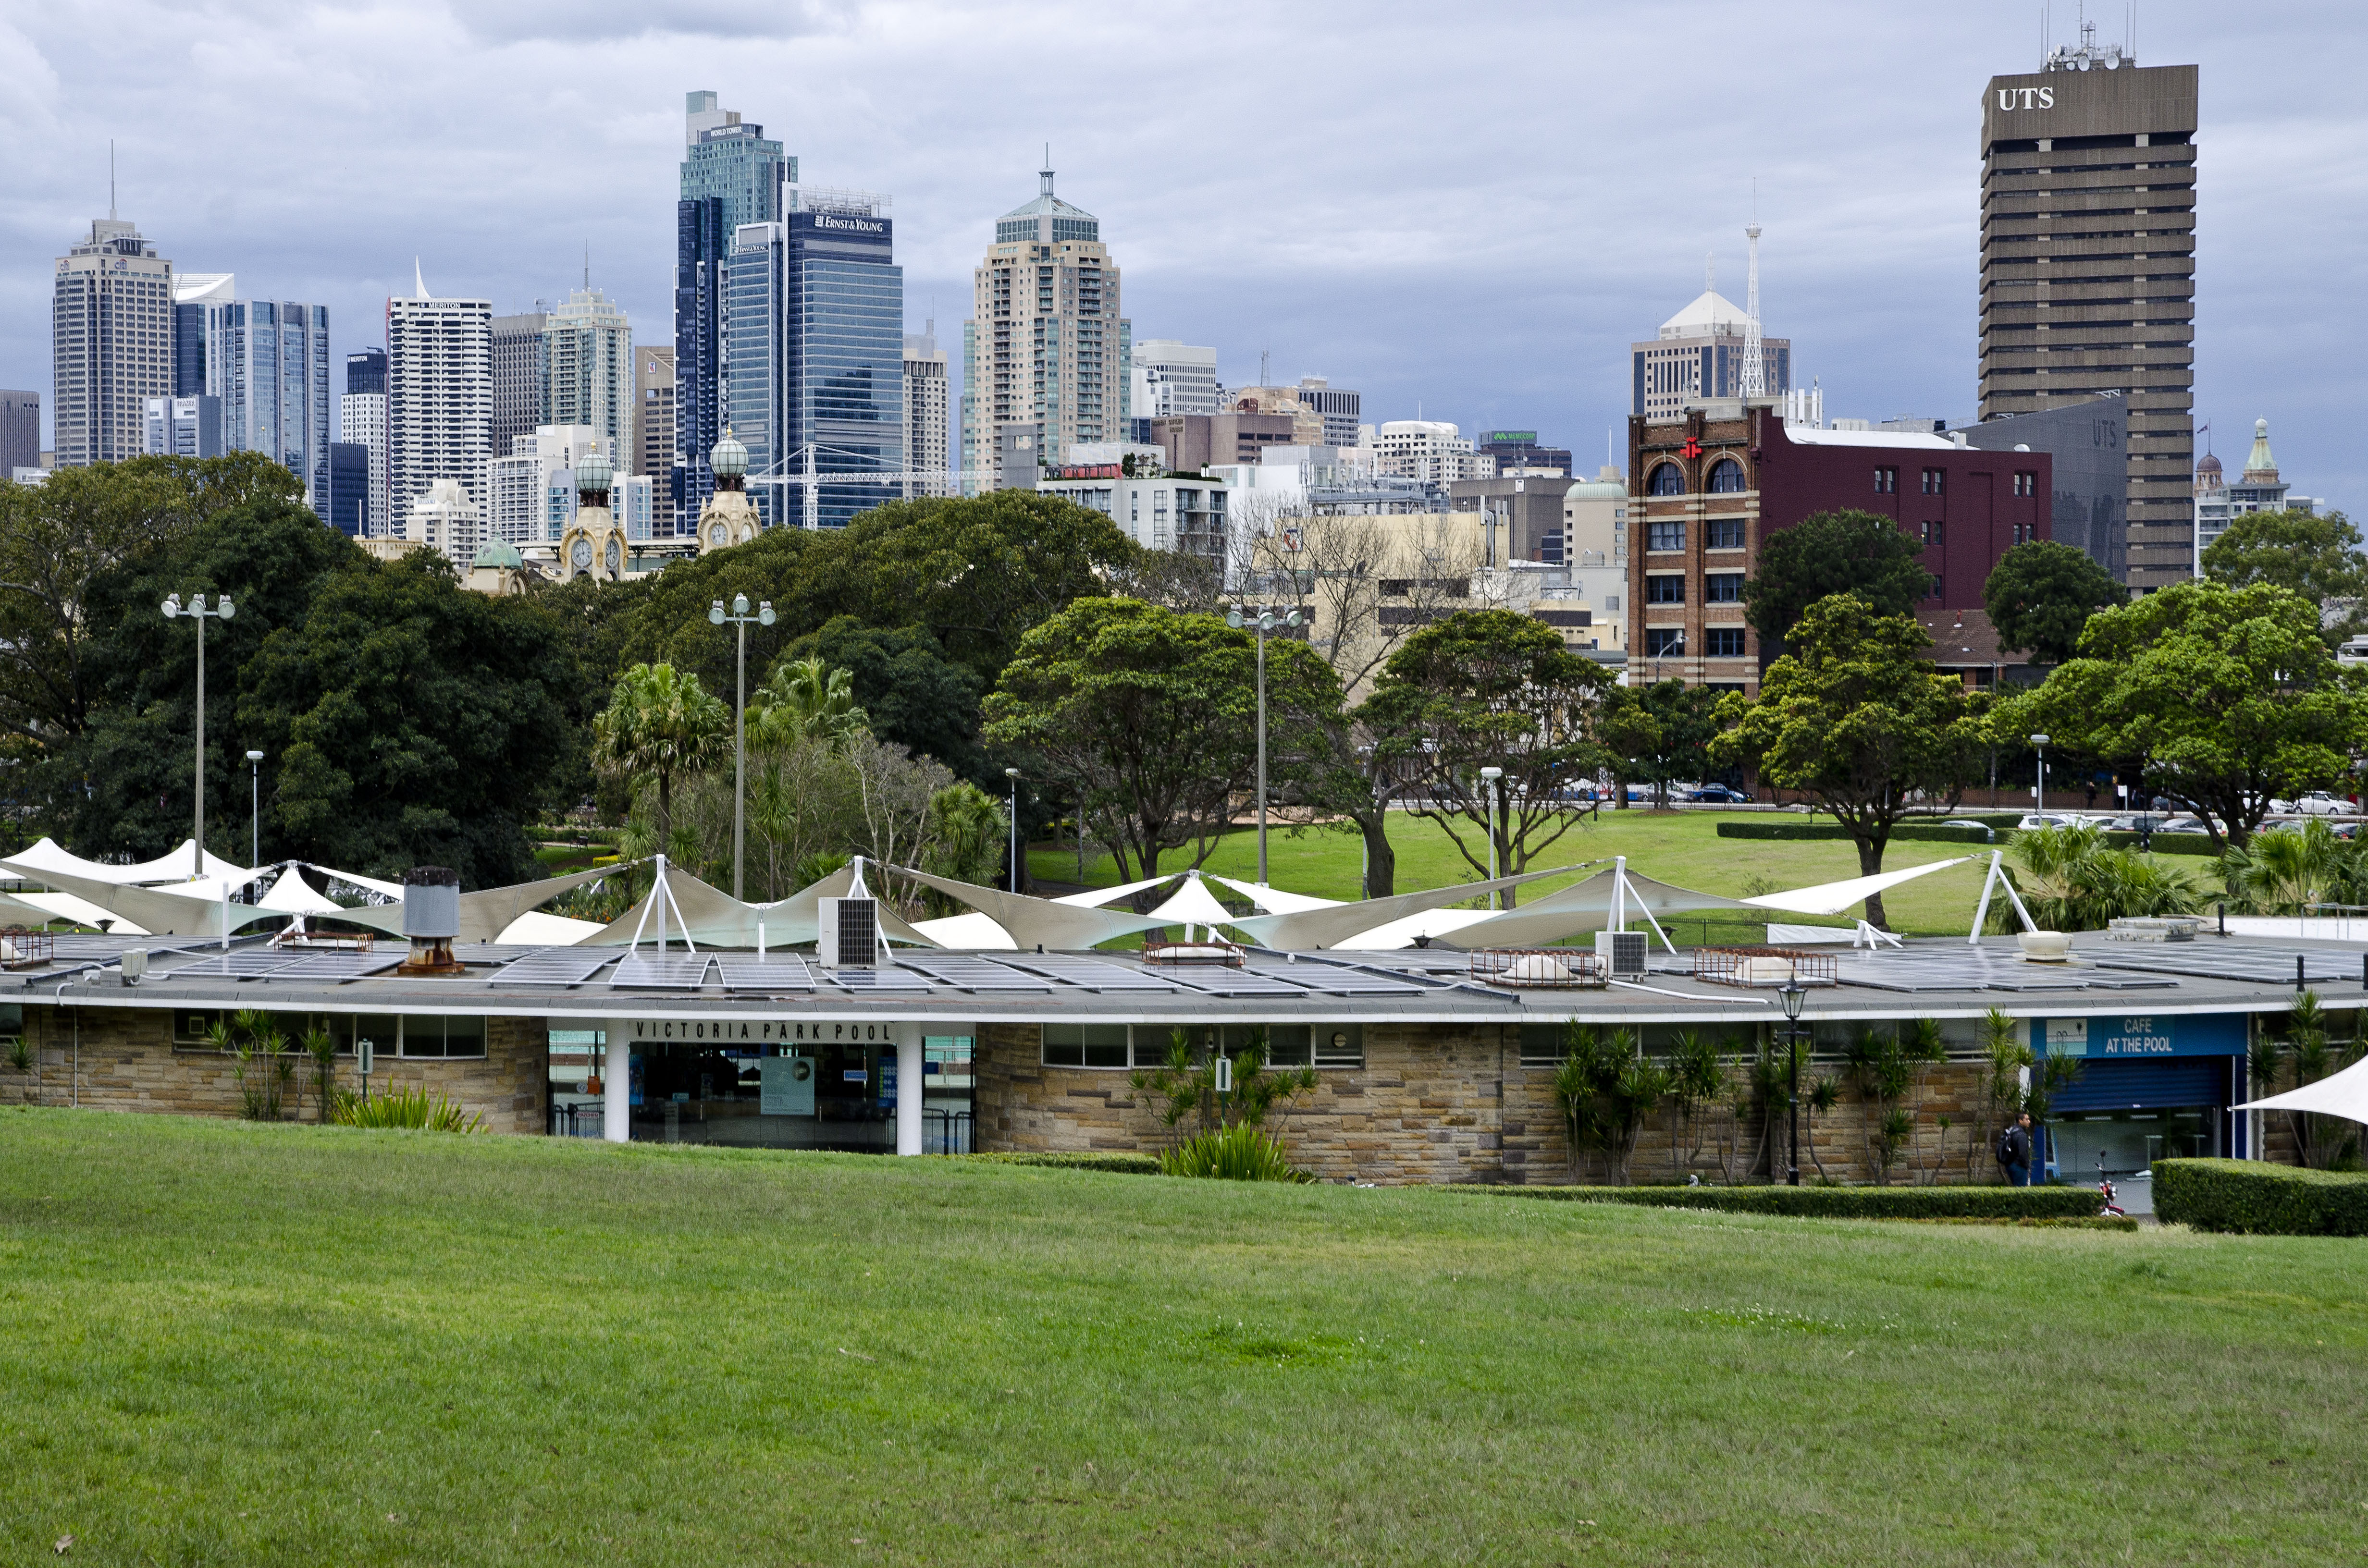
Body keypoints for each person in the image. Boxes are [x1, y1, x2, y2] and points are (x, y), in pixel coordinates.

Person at [1999, 1111, 2035, 1187]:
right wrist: (2027, 1166)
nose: (2029, 1121)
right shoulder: (2021, 1134)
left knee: (2015, 1190)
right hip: (2019, 1166)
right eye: (2027, 1119)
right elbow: (2023, 1153)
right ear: (2020, 1121)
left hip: (2009, 1165)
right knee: (2021, 1192)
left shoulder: (2011, 1131)